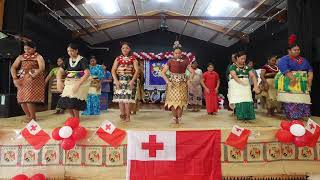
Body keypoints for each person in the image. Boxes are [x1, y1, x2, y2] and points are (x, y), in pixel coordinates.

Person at [275, 35, 313, 120]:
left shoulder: (303, 60)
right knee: (291, 99)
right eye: (295, 50)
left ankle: (301, 116)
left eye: (298, 50)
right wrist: (292, 78)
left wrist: (310, 79)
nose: (297, 51)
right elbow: (284, 69)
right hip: (289, 80)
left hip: (302, 82)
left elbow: (310, 69)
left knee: (301, 99)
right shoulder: (284, 59)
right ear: (289, 50)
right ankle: (292, 116)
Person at [10, 41, 46, 122]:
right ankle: (28, 116)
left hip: (33, 78)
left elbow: (42, 67)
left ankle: (33, 117)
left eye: (29, 49)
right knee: (21, 98)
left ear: (34, 49)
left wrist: (34, 74)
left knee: (29, 98)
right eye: (25, 49)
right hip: (22, 78)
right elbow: (13, 67)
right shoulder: (20, 57)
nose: (26, 51)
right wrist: (15, 78)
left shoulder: (38, 56)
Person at [161, 41, 194, 124]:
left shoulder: (186, 61)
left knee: (180, 102)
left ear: (181, 53)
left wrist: (189, 80)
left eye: (179, 53)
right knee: (172, 102)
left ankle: (179, 118)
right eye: (176, 53)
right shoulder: (170, 61)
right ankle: (173, 118)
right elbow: (163, 72)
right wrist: (168, 82)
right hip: (172, 84)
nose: (177, 54)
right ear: (173, 53)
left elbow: (192, 72)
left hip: (182, 84)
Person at [56, 43, 90, 118]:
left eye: (72, 51)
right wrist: (59, 81)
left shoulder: (82, 60)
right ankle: (72, 117)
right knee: (66, 100)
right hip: (69, 82)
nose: (70, 53)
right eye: (68, 51)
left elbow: (87, 73)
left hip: (81, 82)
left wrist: (78, 84)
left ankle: (76, 118)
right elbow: (60, 71)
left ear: (76, 50)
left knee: (74, 100)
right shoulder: (67, 60)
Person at [227, 51, 260, 121]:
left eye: (244, 59)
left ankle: (248, 116)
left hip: (246, 84)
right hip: (236, 84)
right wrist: (241, 83)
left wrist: (255, 86)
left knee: (248, 99)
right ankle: (241, 116)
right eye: (241, 58)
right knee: (240, 100)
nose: (243, 60)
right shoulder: (232, 67)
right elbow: (234, 75)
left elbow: (253, 76)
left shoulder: (247, 67)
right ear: (237, 58)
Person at [111, 42, 139, 122]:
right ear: (121, 49)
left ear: (129, 49)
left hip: (129, 80)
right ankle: (122, 114)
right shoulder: (117, 58)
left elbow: (137, 71)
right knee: (120, 100)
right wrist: (116, 80)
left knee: (127, 100)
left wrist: (132, 81)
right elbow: (113, 70)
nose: (125, 49)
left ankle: (128, 116)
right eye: (123, 48)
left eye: (126, 48)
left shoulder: (133, 59)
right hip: (119, 80)